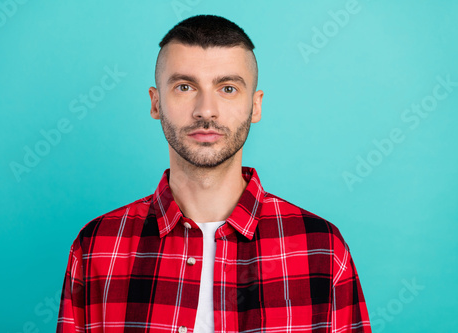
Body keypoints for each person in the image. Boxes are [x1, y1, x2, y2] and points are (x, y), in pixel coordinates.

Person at [56, 14, 371, 333]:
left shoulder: (322, 248)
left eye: (228, 88)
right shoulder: (97, 246)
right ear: (156, 103)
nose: (206, 110)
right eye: (184, 86)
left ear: (256, 106)